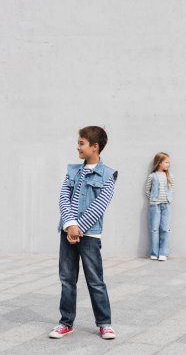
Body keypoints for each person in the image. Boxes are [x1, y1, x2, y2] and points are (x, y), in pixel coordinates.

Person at [49, 126, 118, 340]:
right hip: (67, 232)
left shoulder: (108, 175)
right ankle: (66, 322)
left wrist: (79, 228)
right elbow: (63, 198)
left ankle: (105, 323)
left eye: (81, 143)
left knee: (95, 280)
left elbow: (100, 206)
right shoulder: (72, 170)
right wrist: (70, 225)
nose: (77, 146)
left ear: (95, 147)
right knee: (67, 279)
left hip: (89, 236)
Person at [145, 152, 174, 261]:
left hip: (166, 205)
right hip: (155, 206)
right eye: (166, 162)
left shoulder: (170, 176)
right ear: (159, 163)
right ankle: (154, 252)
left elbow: (171, 189)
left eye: (169, 163)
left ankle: (163, 253)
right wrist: (153, 199)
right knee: (154, 229)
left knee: (165, 229)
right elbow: (147, 190)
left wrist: (168, 199)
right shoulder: (152, 176)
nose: (168, 165)